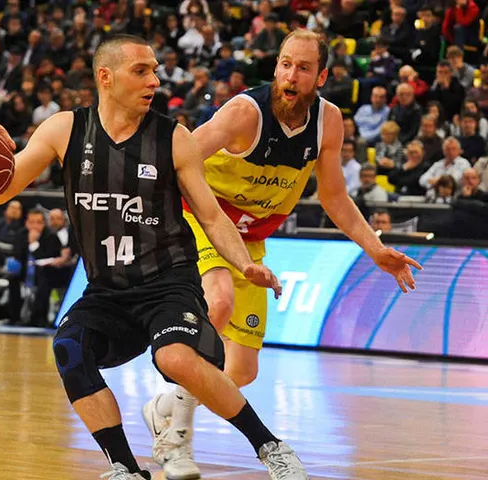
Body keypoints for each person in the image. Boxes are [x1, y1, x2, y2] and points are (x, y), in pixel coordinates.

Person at [0, 34, 308, 480]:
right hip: (108, 289)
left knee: (175, 358)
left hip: (169, 282)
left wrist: (245, 264)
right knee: (69, 349)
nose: (154, 81)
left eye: (155, 71)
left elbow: (211, 215)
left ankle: (272, 448)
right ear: (105, 77)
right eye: (141, 71)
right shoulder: (64, 130)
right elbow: (0, 192)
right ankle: (124, 468)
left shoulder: (173, 138)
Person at [144, 30, 423, 479]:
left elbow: (334, 197)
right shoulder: (244, 113)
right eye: (286, 64)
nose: (291, 76)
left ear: (322, 77)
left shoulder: (328, 122)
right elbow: (178, 157)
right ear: (276, 67)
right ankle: (175, 441)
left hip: (251, 241)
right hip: (202, 218)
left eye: (304, 68)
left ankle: (166, 405)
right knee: (219, 301)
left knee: (241, 371)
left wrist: (374, 248)